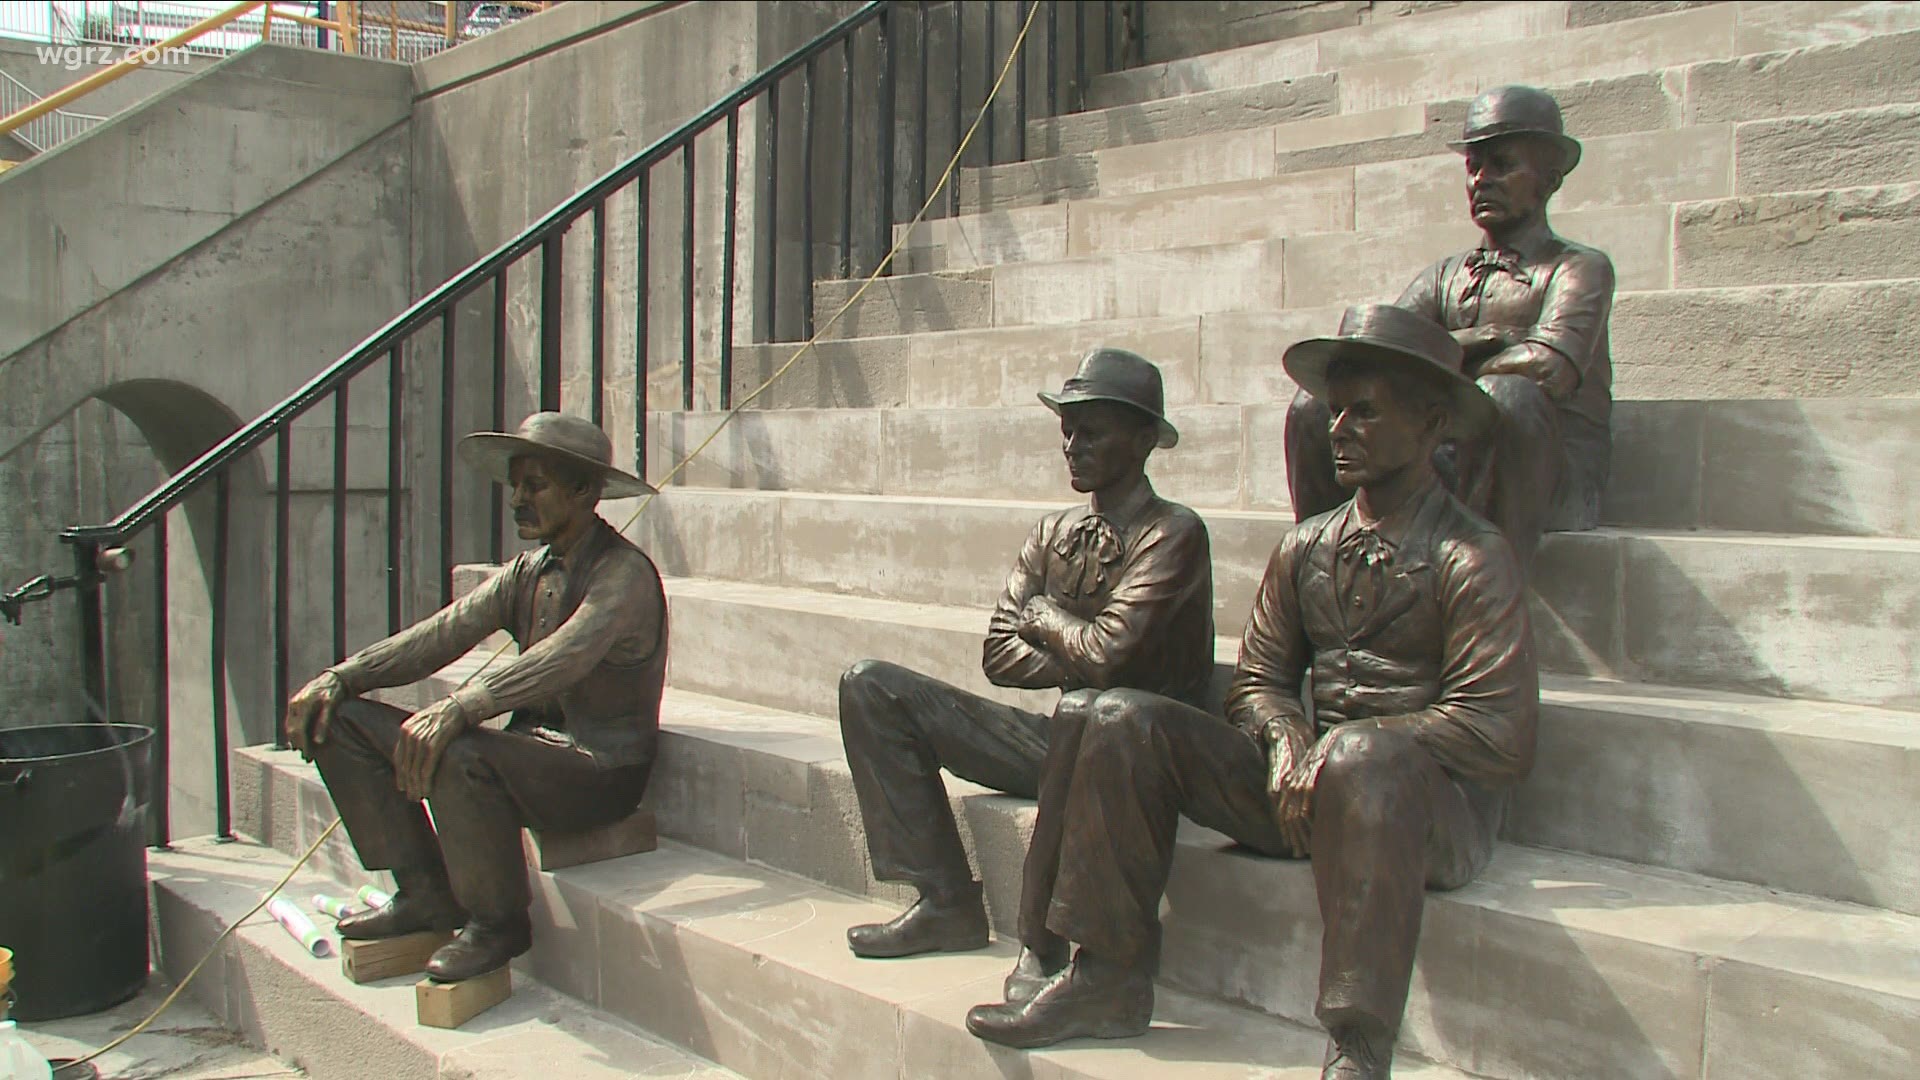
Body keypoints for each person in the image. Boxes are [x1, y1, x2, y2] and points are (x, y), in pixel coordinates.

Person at [967, 305, 1539, 1080]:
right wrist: (1286, 736)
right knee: (1118, 715)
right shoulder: (1306, 546)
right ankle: (1106, 977)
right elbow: (1259, 682)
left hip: (1425, 806)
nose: (1336, 429)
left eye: (1363, 412)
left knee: (1368, 754)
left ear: (1432, 421)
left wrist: (1346, 745)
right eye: (1334, 411)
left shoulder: (1473, 556)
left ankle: (1358, 1042)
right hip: (1300, 785)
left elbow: (1497, 729)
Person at [837, 348, 1214, 980]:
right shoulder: (1051, 531)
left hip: (1135, 762)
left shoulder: (1173, 533)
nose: (1071, 443)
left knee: (1090, 711)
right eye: (1066, 427)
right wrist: (1086, 654)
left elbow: (1106, 654)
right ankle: (945, 901)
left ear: (1145, 438)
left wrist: (1046, 621)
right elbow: (998, 654)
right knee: (871, 688)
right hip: (1063, 732)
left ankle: (1052, 949)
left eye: (1091, 429)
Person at [282, 412, 667, 983]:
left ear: (583, 490)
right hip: (526, 754)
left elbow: (561, 657)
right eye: (514, 485)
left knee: (459, 750)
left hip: (597, 770)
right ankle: (425, 894)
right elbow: (441, 634)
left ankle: (498, 924)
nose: (516, 499)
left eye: (534, 485)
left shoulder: (624, 575)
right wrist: (344, 676)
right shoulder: (527, 571)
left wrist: (459, 707)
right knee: (339, 720)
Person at [1285, 84, 1614, 570]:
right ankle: (1324, 570)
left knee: (1509, 396)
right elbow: (1373, 356)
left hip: (1543, 467)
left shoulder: (1578, 268)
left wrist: (1443, 365)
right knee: (1317, 405)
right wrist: (1485, 339)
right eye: (1473, 168)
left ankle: (1491, 592)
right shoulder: (1445, 275)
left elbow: (1550, 368)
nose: (1481, 180)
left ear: (1549, 178)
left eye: (1502, 165)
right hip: (1446, 452)